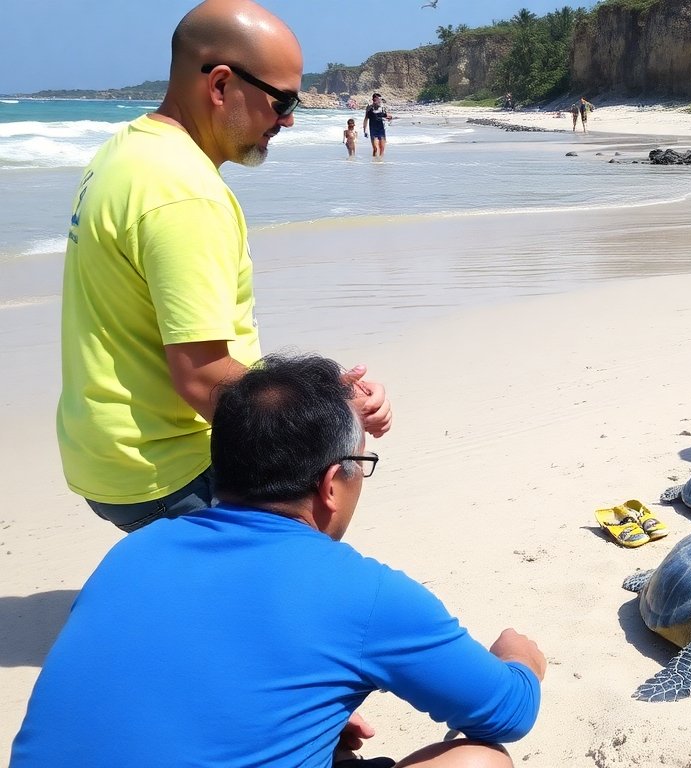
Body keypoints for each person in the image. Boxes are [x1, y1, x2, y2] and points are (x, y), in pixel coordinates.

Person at [14, 354, 545, 767]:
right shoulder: (364, 593)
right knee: (481, 758)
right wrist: (521, 661)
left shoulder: (132, 552)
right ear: (330, 483)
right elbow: (508, 712)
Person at [55, 0, 392, 534]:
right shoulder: (186, 193)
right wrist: (335, 412)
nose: (288, 119)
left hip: (105, 453)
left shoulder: (125, 152)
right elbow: (204, 377)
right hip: (173, 469)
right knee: (337, 476)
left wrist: (322, 389)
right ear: (219, 86)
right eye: (281, 100)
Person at [363, 92, 394, 157]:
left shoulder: (382, 108)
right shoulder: (369, 108)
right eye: (378, 99)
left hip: (381, 129)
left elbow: (387, 116)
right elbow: (366, 119)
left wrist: (389, 119)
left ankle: (380, 162)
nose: (380, 101)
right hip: (373, 130)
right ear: (374, 100)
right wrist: (365, 130)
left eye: (380, 99)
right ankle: (374, 161)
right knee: (375, 148)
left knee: (382, 148)